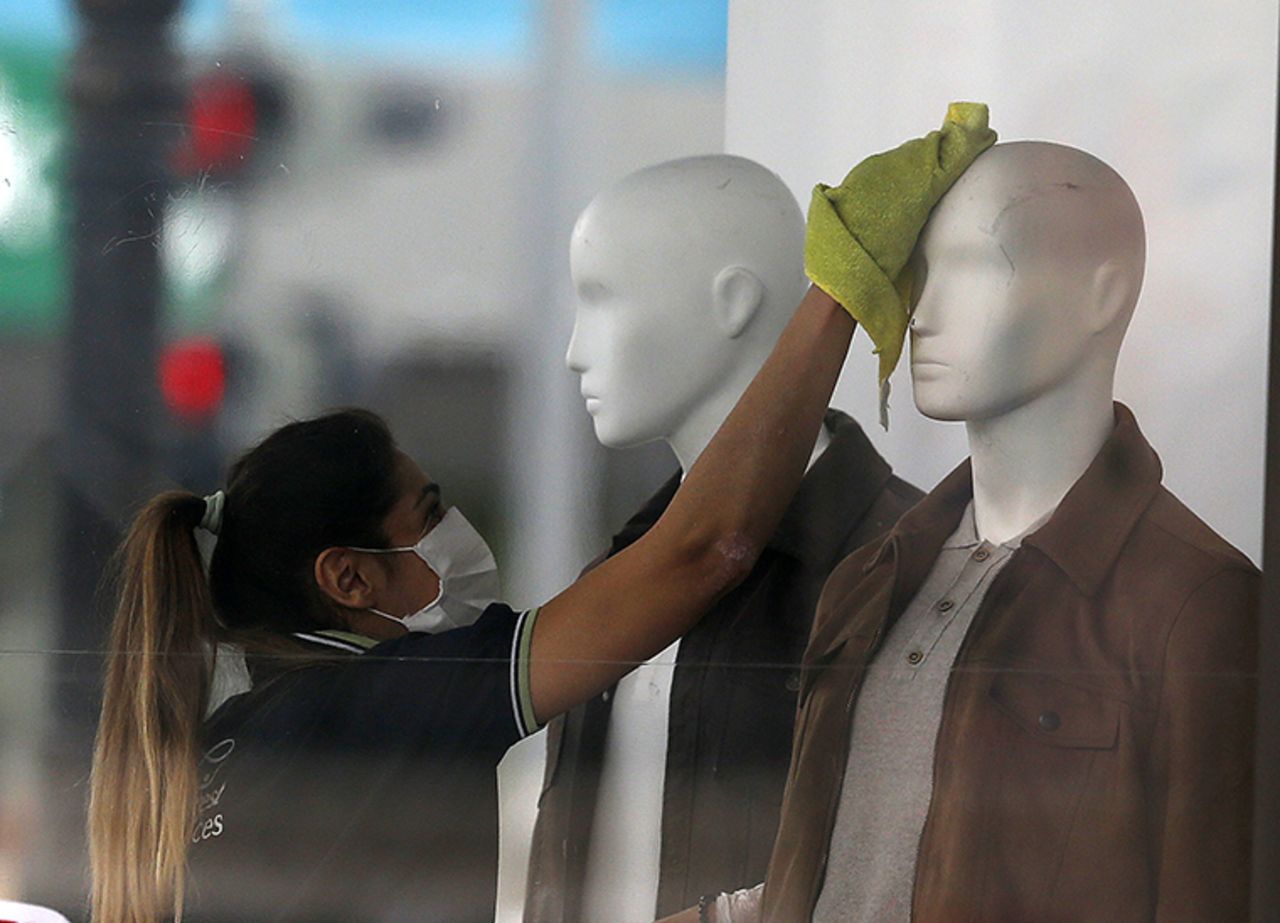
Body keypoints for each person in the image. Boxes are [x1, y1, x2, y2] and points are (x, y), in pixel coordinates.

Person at [87, 275, 857, 923]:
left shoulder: (232, 740)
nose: (455, 531)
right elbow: (702, 550)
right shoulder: (381, 706)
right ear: (348, 577)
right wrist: (840, 290)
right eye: (428, 513)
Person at [683, 141, 1259, 923]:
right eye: (921, 271)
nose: (920, 309)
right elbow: (845, 864)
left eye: (976, 265)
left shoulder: (1196, 608)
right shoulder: (870, 580)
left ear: (1103, 293)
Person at [525, 155, 921, 923]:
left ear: (733, 302)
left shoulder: (895, 568)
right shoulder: (622, 567)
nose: (575, 349)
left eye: (602, 300)